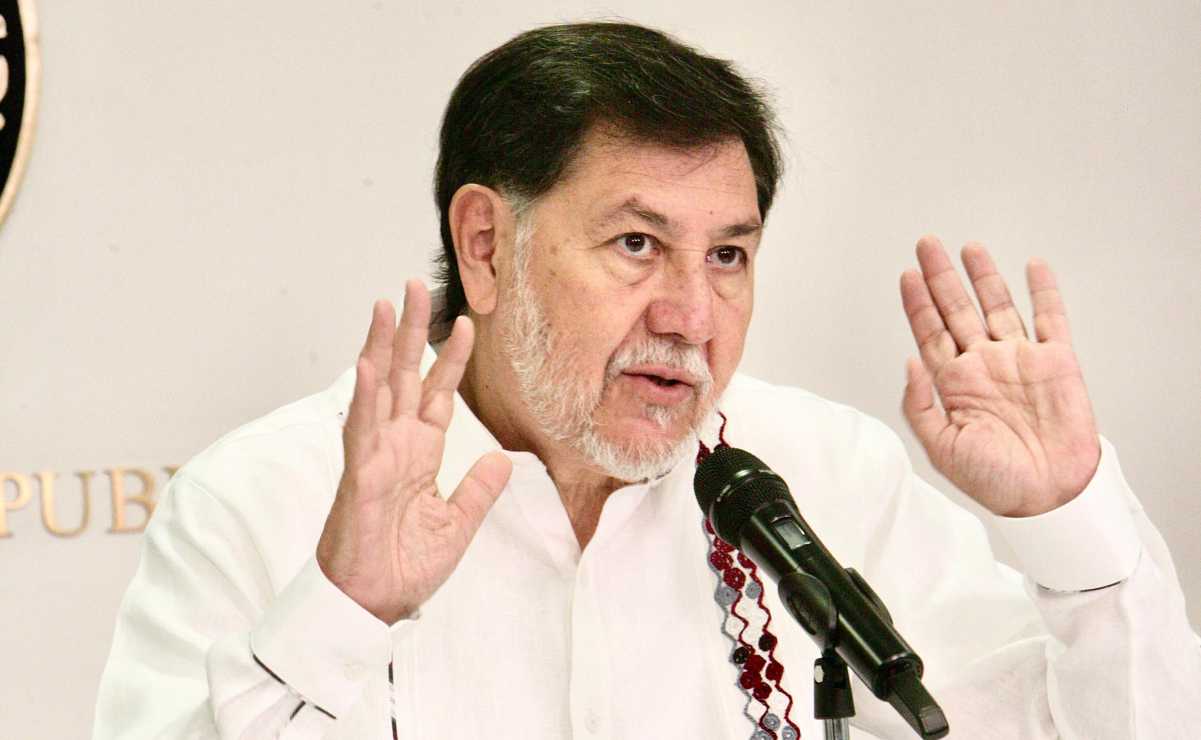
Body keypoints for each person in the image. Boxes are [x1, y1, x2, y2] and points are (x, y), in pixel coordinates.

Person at [94, 21, 1200, 740]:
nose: (690, 316)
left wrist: (1068, 521)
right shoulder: (263, 501)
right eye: (636, 244)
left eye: (728, 254)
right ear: (485, 244)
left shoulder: (826, 478)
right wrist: (342, 612)